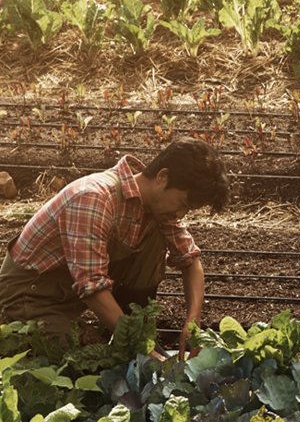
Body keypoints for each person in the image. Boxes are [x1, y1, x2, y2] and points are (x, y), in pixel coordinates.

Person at [0, 139, 230, 354]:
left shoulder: (157, 206)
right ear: (162, 177)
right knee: (76, 363)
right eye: (183, 204)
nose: (181, 214)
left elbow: (190, 259)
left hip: (70, 292)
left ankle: (129, 328)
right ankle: (121, 337)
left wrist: (193, 320)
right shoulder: (93, 198)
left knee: (155, 239)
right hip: (32, 295)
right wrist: (140, 348)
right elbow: (91, 286)